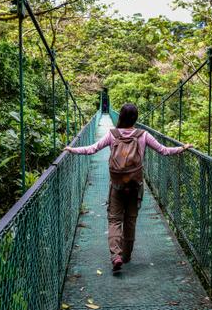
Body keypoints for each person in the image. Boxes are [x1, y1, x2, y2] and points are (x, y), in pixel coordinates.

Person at [65, 103, 192, 271]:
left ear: (121, 117)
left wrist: (72, 150)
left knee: (115, 220)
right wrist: (182, 148)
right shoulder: (143, 135)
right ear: (135, 118)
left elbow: (93, 149)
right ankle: (126, 255)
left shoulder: (112, 135)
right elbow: (164, 150)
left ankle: (116, 255)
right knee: (130, 220)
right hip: (135, 184)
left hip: (117, 184)